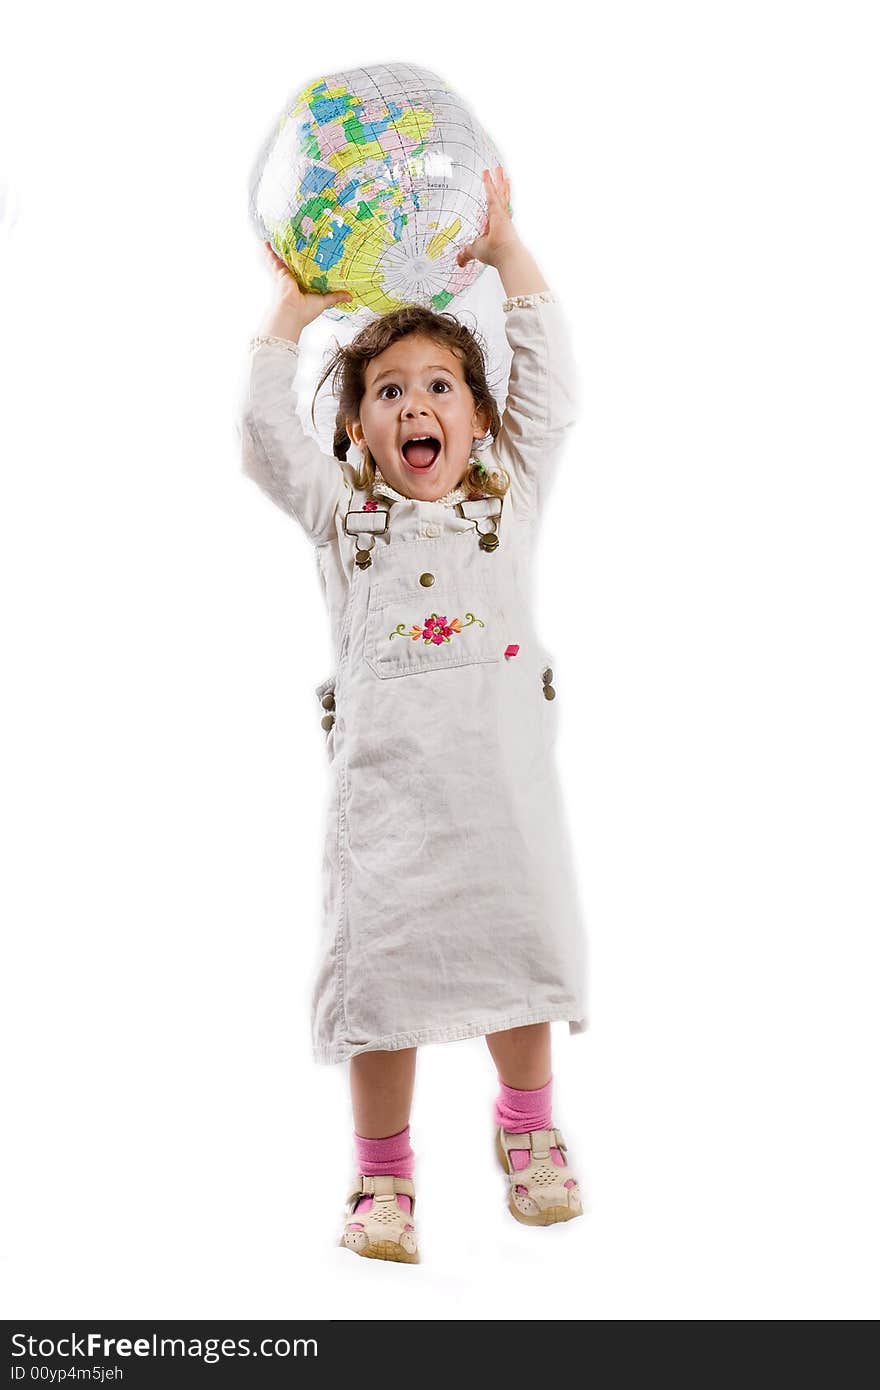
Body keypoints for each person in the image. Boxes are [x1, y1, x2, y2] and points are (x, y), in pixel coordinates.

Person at [239, 167, 589, 1263]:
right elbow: (261, 432)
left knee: (518, 959)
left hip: (503, 808)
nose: (415, 406)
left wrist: (508, 252)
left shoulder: (507, 502)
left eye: (440, 386)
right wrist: (292, 314)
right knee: (381, 985)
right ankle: (382, 1174)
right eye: (387, 392)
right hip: (390, 816)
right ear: (357, 428)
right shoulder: (347, 518)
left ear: (478, 418)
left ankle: (528, 1132)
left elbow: (557, 392)